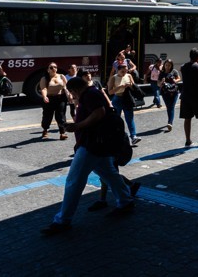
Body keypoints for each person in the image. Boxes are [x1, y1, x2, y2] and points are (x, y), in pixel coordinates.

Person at [41, 77, 135, 235]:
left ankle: (63, 220)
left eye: (72, 93)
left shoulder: (89, 95)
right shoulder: (93, 93)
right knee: (110, 174)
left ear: (75, 90)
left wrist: (77, 126)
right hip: (98, 145)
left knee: (73, 181)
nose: (72, 96)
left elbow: (99, 113)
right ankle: (125, 201)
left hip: (91, 145)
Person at [180, 48, 198, 146]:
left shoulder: (183, 67)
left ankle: (188, 140)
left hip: (185, 96)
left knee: (187, 118)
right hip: (197, 96)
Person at [107, 63, 140, 146]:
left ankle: (133, 137)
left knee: (130, 118)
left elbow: (134, 87)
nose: (124, 73)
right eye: (122, 71)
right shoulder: (113, 78)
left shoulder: (129, 76)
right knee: (116, 119)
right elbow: (110, 92)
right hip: (117, 99)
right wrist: (120, 87)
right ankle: (116, 137)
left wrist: (130, 85)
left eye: (125, 71)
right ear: (118, 70)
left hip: (127, 99)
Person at [39, 63, 69, 140]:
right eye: (51, 67)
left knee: (61, 115)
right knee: (47, 116)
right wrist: (45, 96)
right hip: (49, 99)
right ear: (48, 69)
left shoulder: (61, 76)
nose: (53, 69)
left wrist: (69, 95)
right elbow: (44, 89)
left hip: (61, 98)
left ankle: (62, 133)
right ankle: (45, 130)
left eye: (55, 67)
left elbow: (66, 87)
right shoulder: (44, 78)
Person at [158, 58, 180, 132]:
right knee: (168, 107)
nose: (168, 67)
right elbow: (158, 84)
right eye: (166, 65)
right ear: (164, 65)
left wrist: (175, 80)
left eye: (169, 65)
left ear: (171, 65)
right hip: (165, 92)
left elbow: (179, 78)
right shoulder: (162, 73)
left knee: (172, 106)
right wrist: (162, 82)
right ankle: (170, 121)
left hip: (174, 92)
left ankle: (170, 122)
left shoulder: (174, 71)